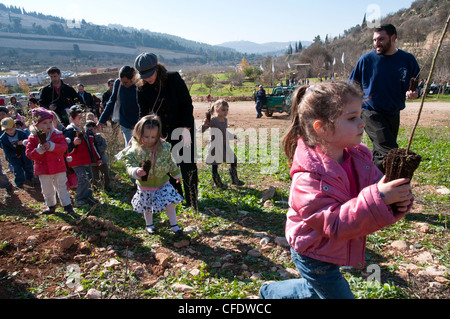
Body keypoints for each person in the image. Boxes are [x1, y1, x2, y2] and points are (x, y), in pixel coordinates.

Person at [259, 82, 414, 299]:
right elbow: (334, 223)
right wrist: (379, 197)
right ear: (321, 127)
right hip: (311, 251)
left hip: (332, 247)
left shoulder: (358, 157)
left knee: (312, 291)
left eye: (361, 115)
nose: (362, 123)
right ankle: (271, 292)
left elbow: (374, 190)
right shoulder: (308, 177)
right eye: (352, 118)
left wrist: (395, 199)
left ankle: (271, 292)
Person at [349, 24, 420, 172]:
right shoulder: (366, 60)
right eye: (374, 40)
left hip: (393, 113)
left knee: (380, 154)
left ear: (393, 38)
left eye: (381, 39)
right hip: (371, 113)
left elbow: (415, 86)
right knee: (390, 151)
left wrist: (414, 93)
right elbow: (352, 85)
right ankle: (392, 185)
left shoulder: (407, 60)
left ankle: (372, 182)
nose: (377, 43)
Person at [135, 52, 198, 209]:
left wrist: (186, 129)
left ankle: (192, 200)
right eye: (144, 75)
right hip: (161, 132)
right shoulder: (141, 88)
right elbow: (143, 113)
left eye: (150, 74)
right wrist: (143, 134)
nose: (148, 78)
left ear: (157, 68)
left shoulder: (173, 79)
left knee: (187, 164)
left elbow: (186, 104)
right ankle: (177, 198)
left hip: (183, 126)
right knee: (168, 165)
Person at [122, 114, 184, 235]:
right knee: (147, 206)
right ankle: (149, 225)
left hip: (162, 182)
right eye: (146, 137)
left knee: (169, 202)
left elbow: (170, 162)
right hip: (146, 184)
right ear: (139, 134)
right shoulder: (135, 150)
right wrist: (135, 171)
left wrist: (176, 174)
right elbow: (129, 164)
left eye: (153, 137)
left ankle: (174, 225)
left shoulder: (164, 147)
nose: (150, 140)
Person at [25, 108, 74, 214]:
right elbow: (29, 154)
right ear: (36, 125)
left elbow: (64, 147)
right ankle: (51, 205)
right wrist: (39, 150)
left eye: (50, 122)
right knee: (47, 188)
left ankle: (67, 205)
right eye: (44, 123)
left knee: (61, 186)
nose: (48, 125)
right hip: (43, 168)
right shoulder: (33, 137)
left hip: (58, 166)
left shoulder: (57, 134)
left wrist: (52, 146)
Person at [199, 99, 244, 189]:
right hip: (215, 147)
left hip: (224, 146)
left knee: (233, 159)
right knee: (215, 166)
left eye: (227, 109)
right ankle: (218, 184)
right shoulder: (213, 120)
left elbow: (225, 132)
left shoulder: (225, 120)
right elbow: (201, 130)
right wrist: (204, 124)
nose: (226, 112)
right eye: (223, 109)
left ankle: (234, 179)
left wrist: (233, 136)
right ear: (216, 110)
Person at [63, 106, 101, 207]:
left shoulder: (86, 131)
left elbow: (92, 145)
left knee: (89, 179)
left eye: (83, 118)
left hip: (86, 159)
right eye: (79, 118)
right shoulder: (69, 131)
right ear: (72, 119)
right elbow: (66, 147)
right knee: (82, 179)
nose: (82, 121)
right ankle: (79, 199)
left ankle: (88, 197)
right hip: (76, 161)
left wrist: (97, 158)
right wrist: (73, 144)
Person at [98, 66, 140, 147]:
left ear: (133, 79)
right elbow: (111, 102)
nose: (123, 84)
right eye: (122, 82)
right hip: (126, 123)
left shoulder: (140, 84)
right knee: (129, 148)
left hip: (139, 123)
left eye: (126, 82)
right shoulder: (118, 84)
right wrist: (101, 120)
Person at [0, 117, 34, 188]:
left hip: (24, 153)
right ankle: (19, 183)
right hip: (13, 156)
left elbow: (29, 143)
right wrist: (13, 155)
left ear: (14, 126)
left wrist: (23, 143)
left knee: (28, 166)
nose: (10, 131)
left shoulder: (22, 133)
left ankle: (30, 179)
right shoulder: (3, 139)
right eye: (7, 130)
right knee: (17, 169)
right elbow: (6, 150)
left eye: (11, 129)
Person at [86, 120, 110, 191]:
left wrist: (96, 149)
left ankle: (106, 186)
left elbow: (104, 147)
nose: (91, 131)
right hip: (93, 162)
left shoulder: (100, 138)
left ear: (96, 129)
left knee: (105, 174)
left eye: (93, 129)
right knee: (94, 176)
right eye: (89, 130)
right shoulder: (87, 139)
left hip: (102, 159)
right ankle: (94, 187)